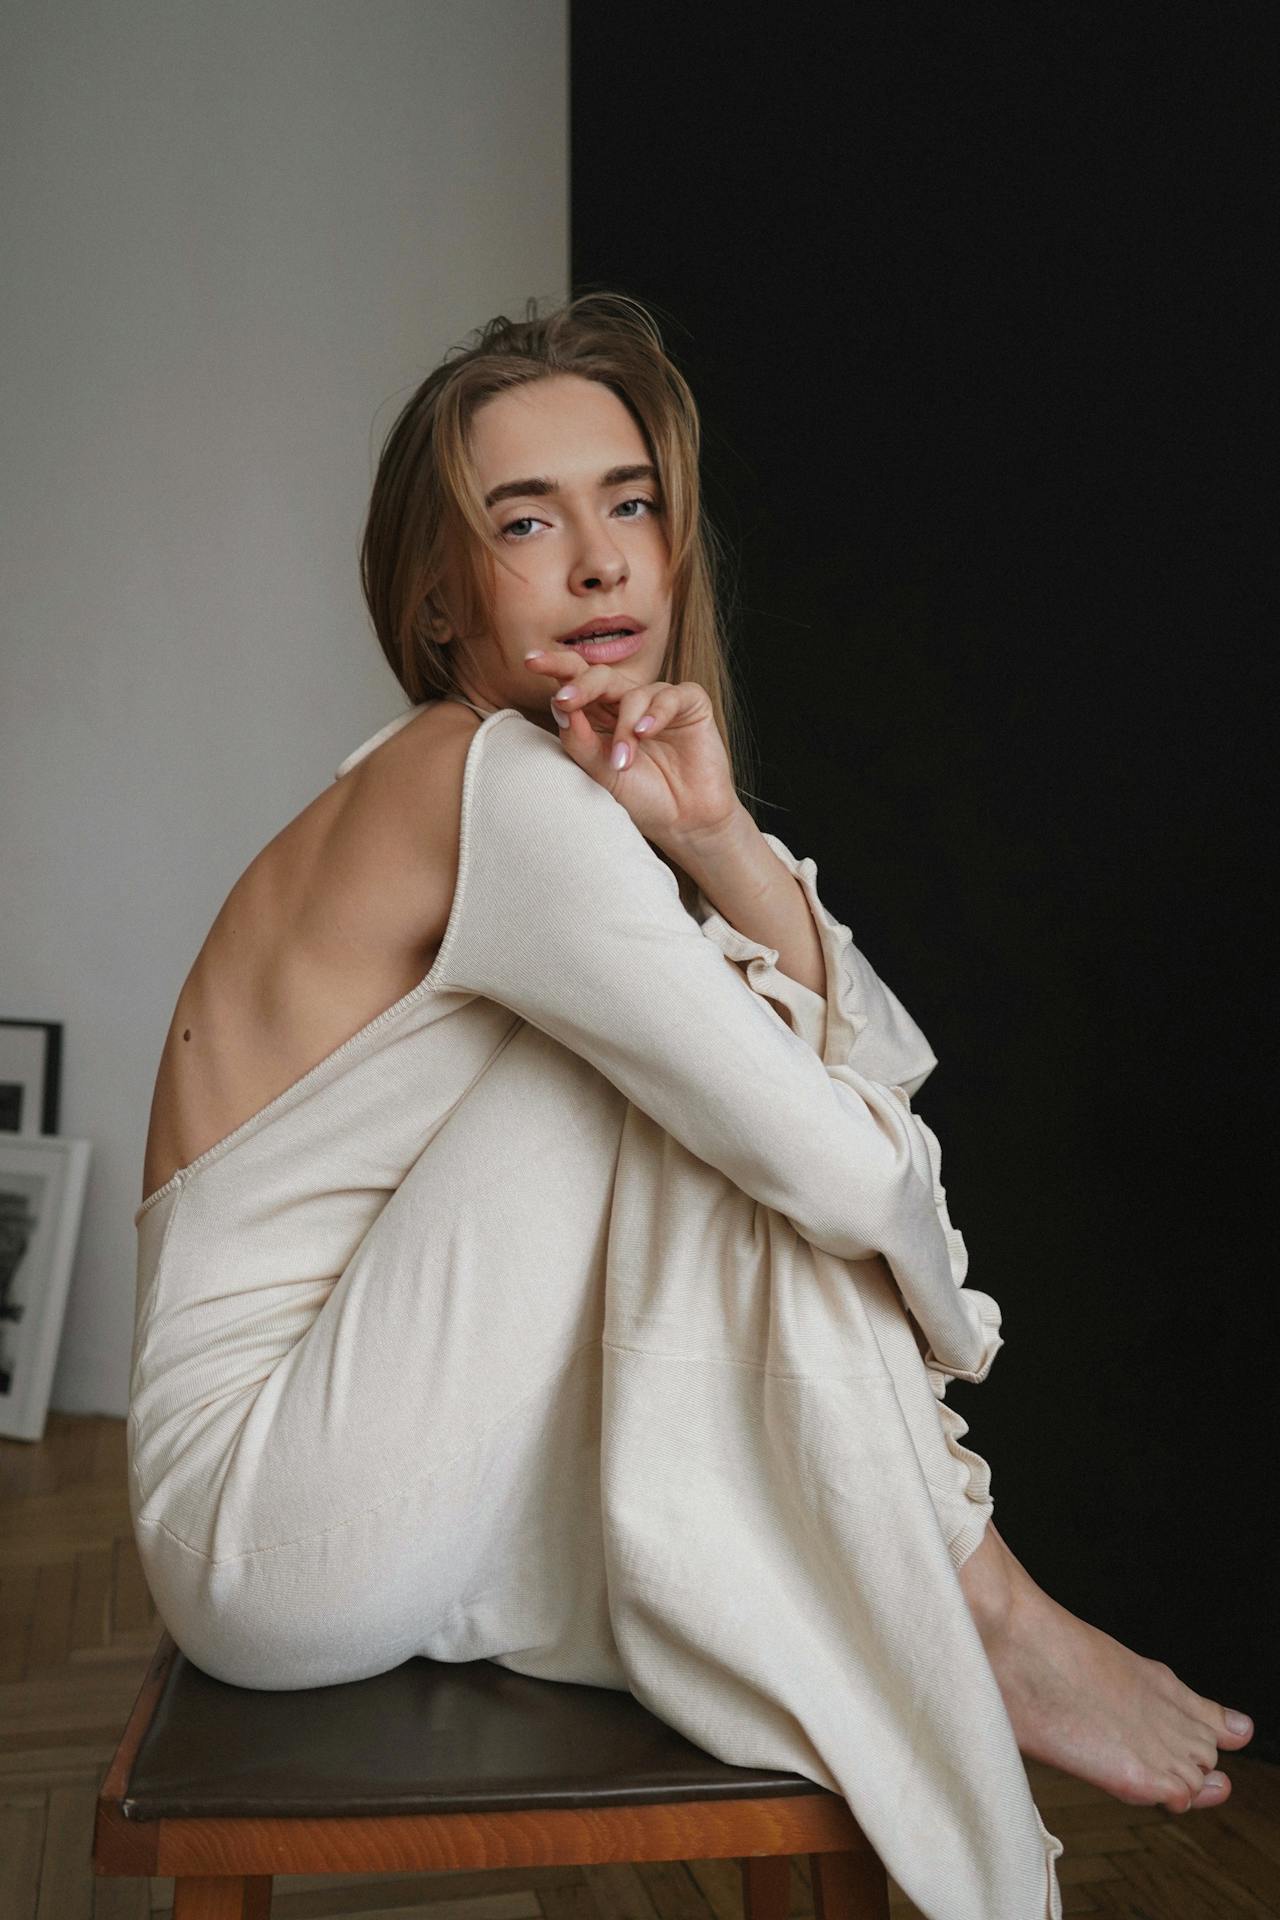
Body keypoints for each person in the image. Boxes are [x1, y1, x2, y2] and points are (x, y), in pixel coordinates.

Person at [130, 292, 1252, 1920]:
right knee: (691, 1087)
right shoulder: (490, 788)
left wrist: (720, 842)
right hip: (275, 1519)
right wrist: (917, 1289)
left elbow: (874, 1063)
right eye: (527, 521)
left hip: (349, 1493)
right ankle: (982, 1601)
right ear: (439, 599)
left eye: (630, 503)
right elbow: (842, 1158)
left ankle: (961, 1595)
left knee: (707, 1068)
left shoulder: (505, 793)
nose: (603, 565)